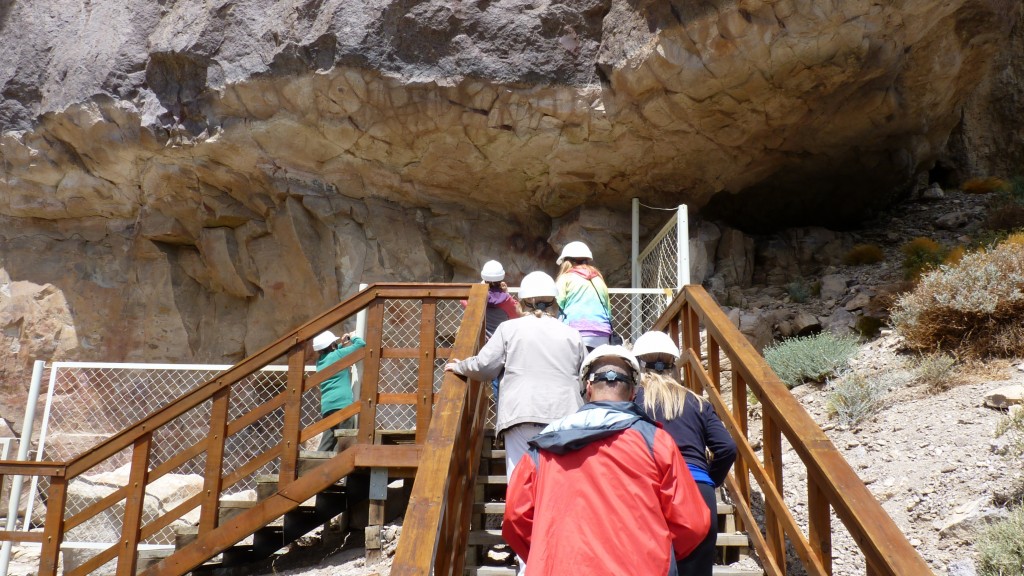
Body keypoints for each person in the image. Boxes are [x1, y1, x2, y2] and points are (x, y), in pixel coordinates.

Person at [502, 345, 710, 575]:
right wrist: (659, 551)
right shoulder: (656, 442)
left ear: (588, 388)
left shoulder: (542, 448)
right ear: (633, 392)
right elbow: (693, 523)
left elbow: (515, 518)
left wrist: (549, 551)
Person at [445, 271, 586, 480]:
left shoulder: (508, 329)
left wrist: (461, 367)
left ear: (522, 302)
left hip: (521, 415)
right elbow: (586, 375)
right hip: (565, 417)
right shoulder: (572, 334)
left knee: (521, 482)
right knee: (559, 482)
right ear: (553, 302)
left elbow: (485, 366)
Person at [632, 330, 738, 576]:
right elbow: (727, 448)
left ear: (637, 364)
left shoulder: (633, 401)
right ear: (673, 365)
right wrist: (709, 481)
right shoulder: (697, 402)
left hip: (650, 489)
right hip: (697, 491)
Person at [312, 329, 366, 452]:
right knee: (345, 439)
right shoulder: (338, 355)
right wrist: (353, 337)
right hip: (342, 404)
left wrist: (342, 344)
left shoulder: (319, 362)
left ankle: (316, 465)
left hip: (327, 407)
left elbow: (333, 352)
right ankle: (338, 465)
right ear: (332, 345)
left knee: (328, 440)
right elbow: (361, 345)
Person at [554, 241, 614, 350]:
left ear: (566, 261)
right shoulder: (598, 279)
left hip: (575, 332)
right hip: (603, 333)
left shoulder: (565, 278)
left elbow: (555, 305)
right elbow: (608, 311)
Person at [479, 259, 521, 338]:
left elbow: (463, 301)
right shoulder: (506, 299)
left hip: (482, 340)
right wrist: (506, 293)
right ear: (502, 277)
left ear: (483, 277)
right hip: (501, 339)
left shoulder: (479, 297)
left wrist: (481, 286)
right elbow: (516, 313)